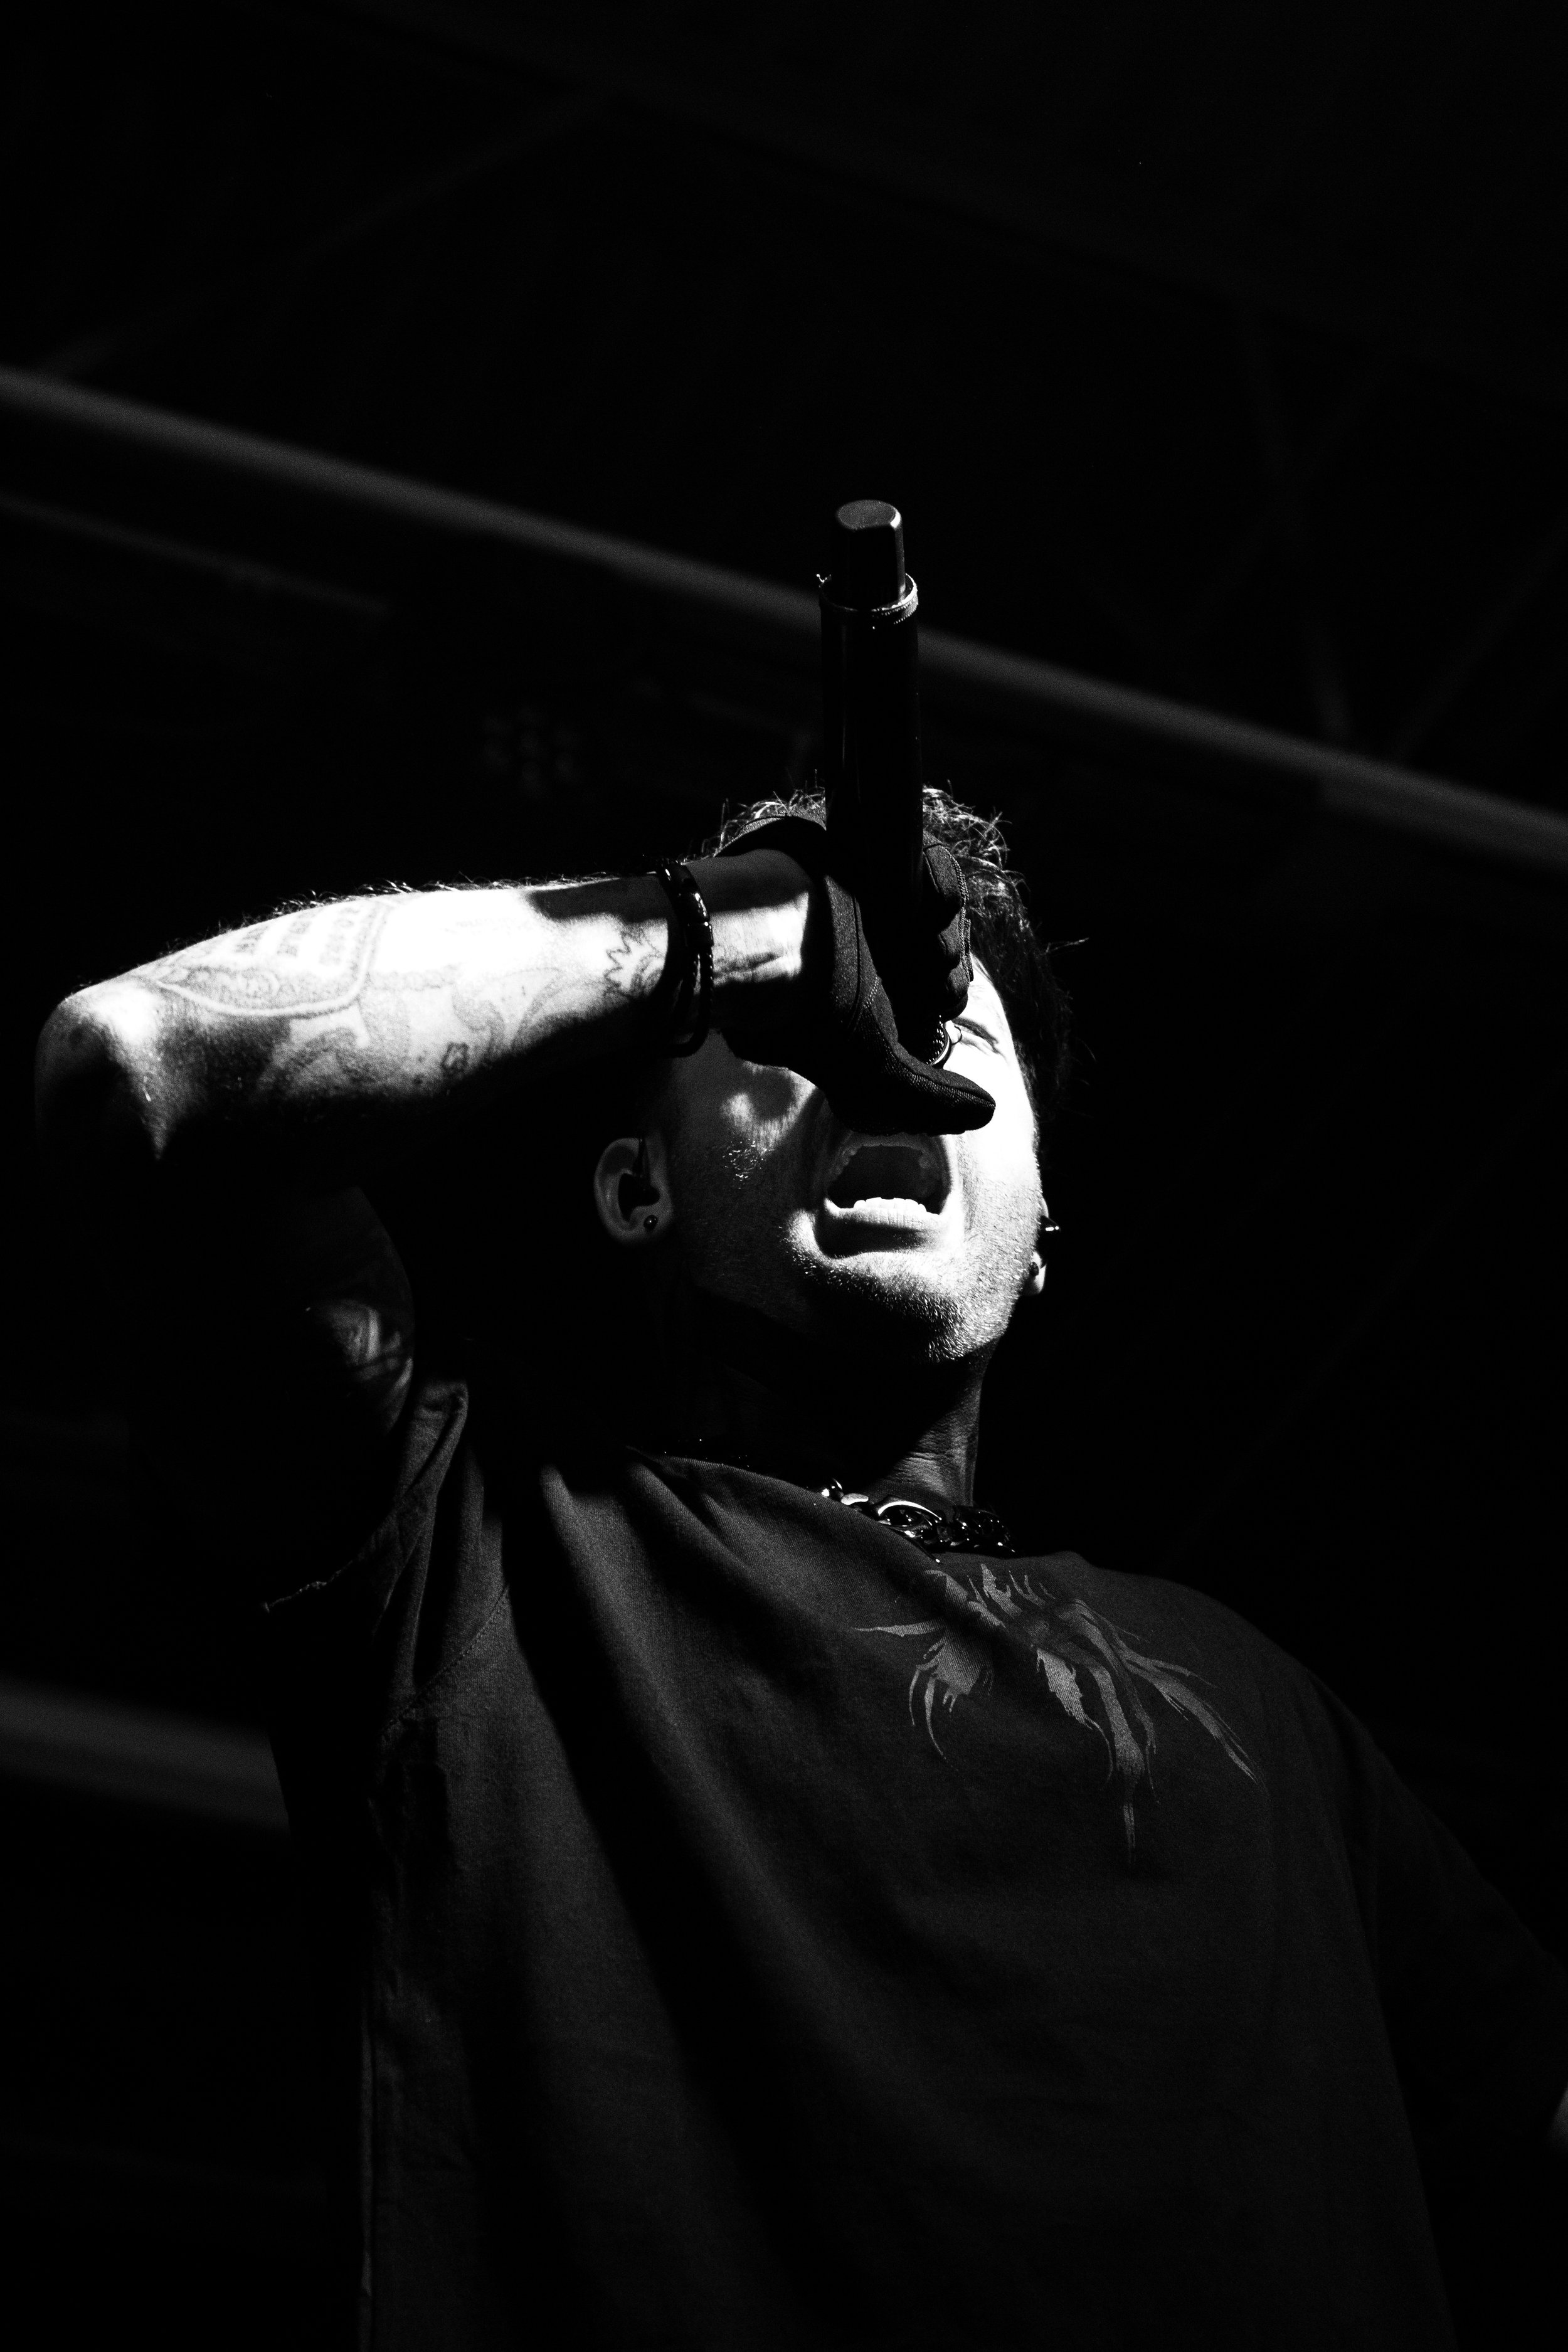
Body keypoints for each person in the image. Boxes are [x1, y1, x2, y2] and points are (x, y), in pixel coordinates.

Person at [35, 785, 1568, 2350]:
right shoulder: (473, 1553)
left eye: (954, 1040)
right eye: (814, 1037)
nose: (895, 1056)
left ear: (1038, 1233)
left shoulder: (1272, 1717)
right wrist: (735, 930)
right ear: (636, 1187)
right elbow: (143, 1068)